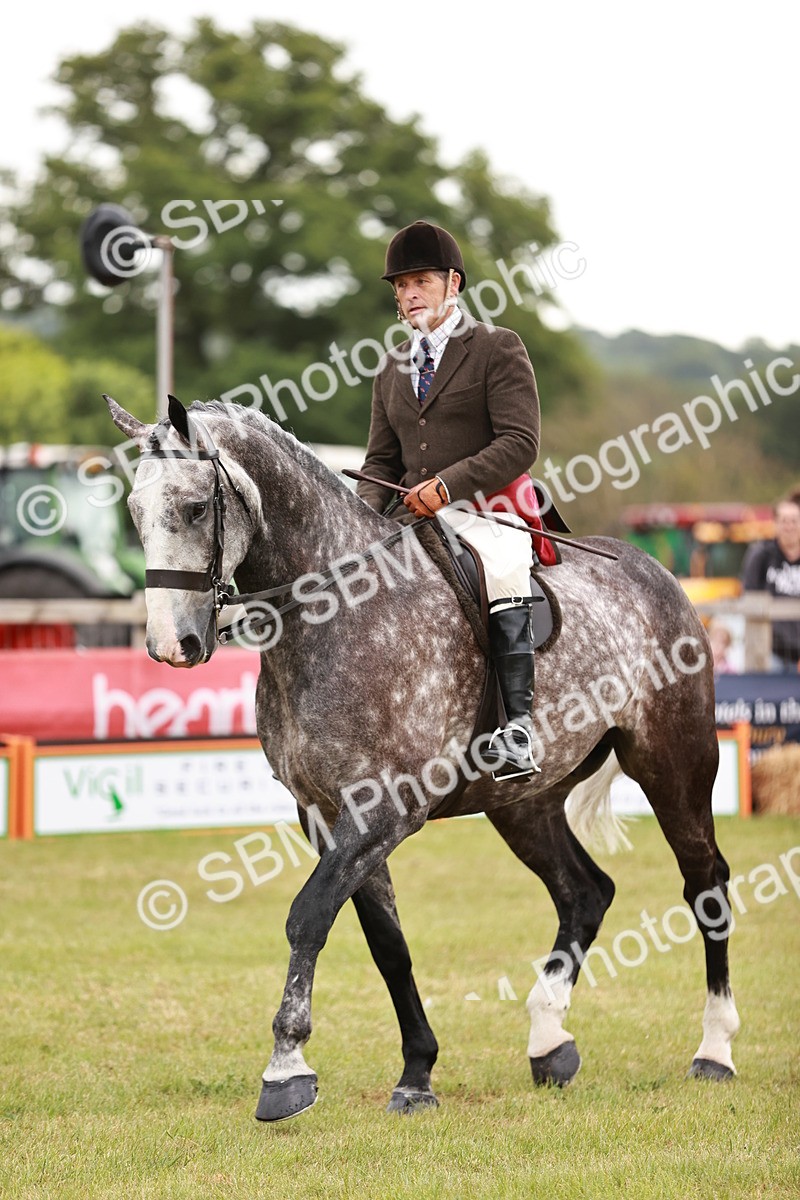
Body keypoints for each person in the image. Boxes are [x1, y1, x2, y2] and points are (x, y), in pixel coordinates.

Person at [356, 220, 544, 774]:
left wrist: (447, 486)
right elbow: (379, 463)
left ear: (453, 283)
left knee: (505, 568)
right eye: (400, 285)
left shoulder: (496, 347)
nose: (409, 294)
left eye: (420, 282)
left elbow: (520, 442)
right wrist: (361, 519)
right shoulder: (390, 368)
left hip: (488, 509)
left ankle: (517, 729)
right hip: (412, 516)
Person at [740, 494, 800, 673]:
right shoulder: (761, 556)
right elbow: (749, 598)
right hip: (769, 651)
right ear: (775, 523)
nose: (789, 526)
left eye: (794, 521)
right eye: (784, 521)